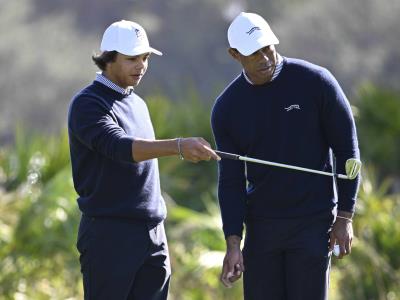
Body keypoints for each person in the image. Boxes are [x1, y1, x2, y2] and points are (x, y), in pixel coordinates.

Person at [211, 12, 360, 300]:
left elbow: (347, 152)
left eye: (267, 48)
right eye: (254, 53)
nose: (265, 58)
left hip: (313, 222)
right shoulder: (227, 107)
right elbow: (230, 180)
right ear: (234, 54)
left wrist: (345, 216)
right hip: (262, 227)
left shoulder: (317, 82)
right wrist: (233, 242)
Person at [68, 20, 219, 300]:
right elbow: (120, 148)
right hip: (109, 235)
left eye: (145, 58)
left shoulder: (138, 103)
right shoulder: (87, 103)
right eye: (132, 59)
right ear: (108, 59)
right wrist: (178, 146)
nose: (141, 66)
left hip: (153, 234)